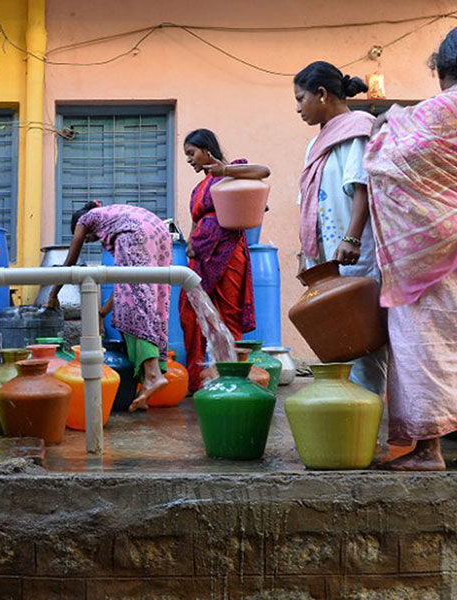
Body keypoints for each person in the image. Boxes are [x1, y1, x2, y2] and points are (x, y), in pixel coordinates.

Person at [364, 29, 457, 470]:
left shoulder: (434, 112)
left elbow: (386, 165)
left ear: (441, 68)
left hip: (433, 255)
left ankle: (428, 450)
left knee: (424, 340)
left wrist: (388, 123)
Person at [293, 61, 388, 397]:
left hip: (355, 251)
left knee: (363, 342)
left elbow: (361, 185)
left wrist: (351, 237)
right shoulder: (316, 142)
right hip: (328, 256)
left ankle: (371, 429)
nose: (298, 107)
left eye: (301, 98)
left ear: (321, 94)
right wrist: (307, 253)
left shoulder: (358, 127)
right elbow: (310, 200)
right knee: (338, 341)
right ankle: (351, 422)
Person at [47, 202, 171, 411]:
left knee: (135, 309)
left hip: (136, 232)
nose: (87, 240)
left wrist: (52, 295)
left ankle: (153, 375)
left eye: (85, 238)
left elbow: (69, 262)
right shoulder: (113, 217)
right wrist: (103, 312)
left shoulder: (86, 219)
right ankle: (144, 390)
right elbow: (125, 285)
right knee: (151, 298)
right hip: (159, 232)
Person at [178, 129, 270, 392]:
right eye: (186, 155)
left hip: (228, 253)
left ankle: (233, 378)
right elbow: (196, 220)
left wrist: (225, 172)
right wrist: (190, 243)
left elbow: (263, 171)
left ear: (207, 151)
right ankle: (195, 381)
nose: (189, 159)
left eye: (191, 153)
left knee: (229, 314)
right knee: (190, 312)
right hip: (200, 257)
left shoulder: (235, 170)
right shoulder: (198, 188)